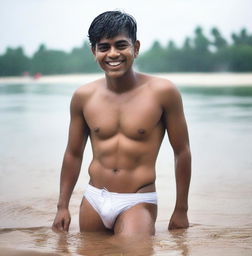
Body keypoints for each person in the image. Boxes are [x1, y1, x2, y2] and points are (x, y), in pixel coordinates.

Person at [52, 10, 191, 236]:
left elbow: (182, 152)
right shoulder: (83, 96)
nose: (113, 54)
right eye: (104, 47)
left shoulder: (163, 92)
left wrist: (181, 209)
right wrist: (62, 206)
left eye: (121, 45)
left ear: (135, 48)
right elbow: (73, 154)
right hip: (94, 198)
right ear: (94, 52)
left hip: (137, 199)